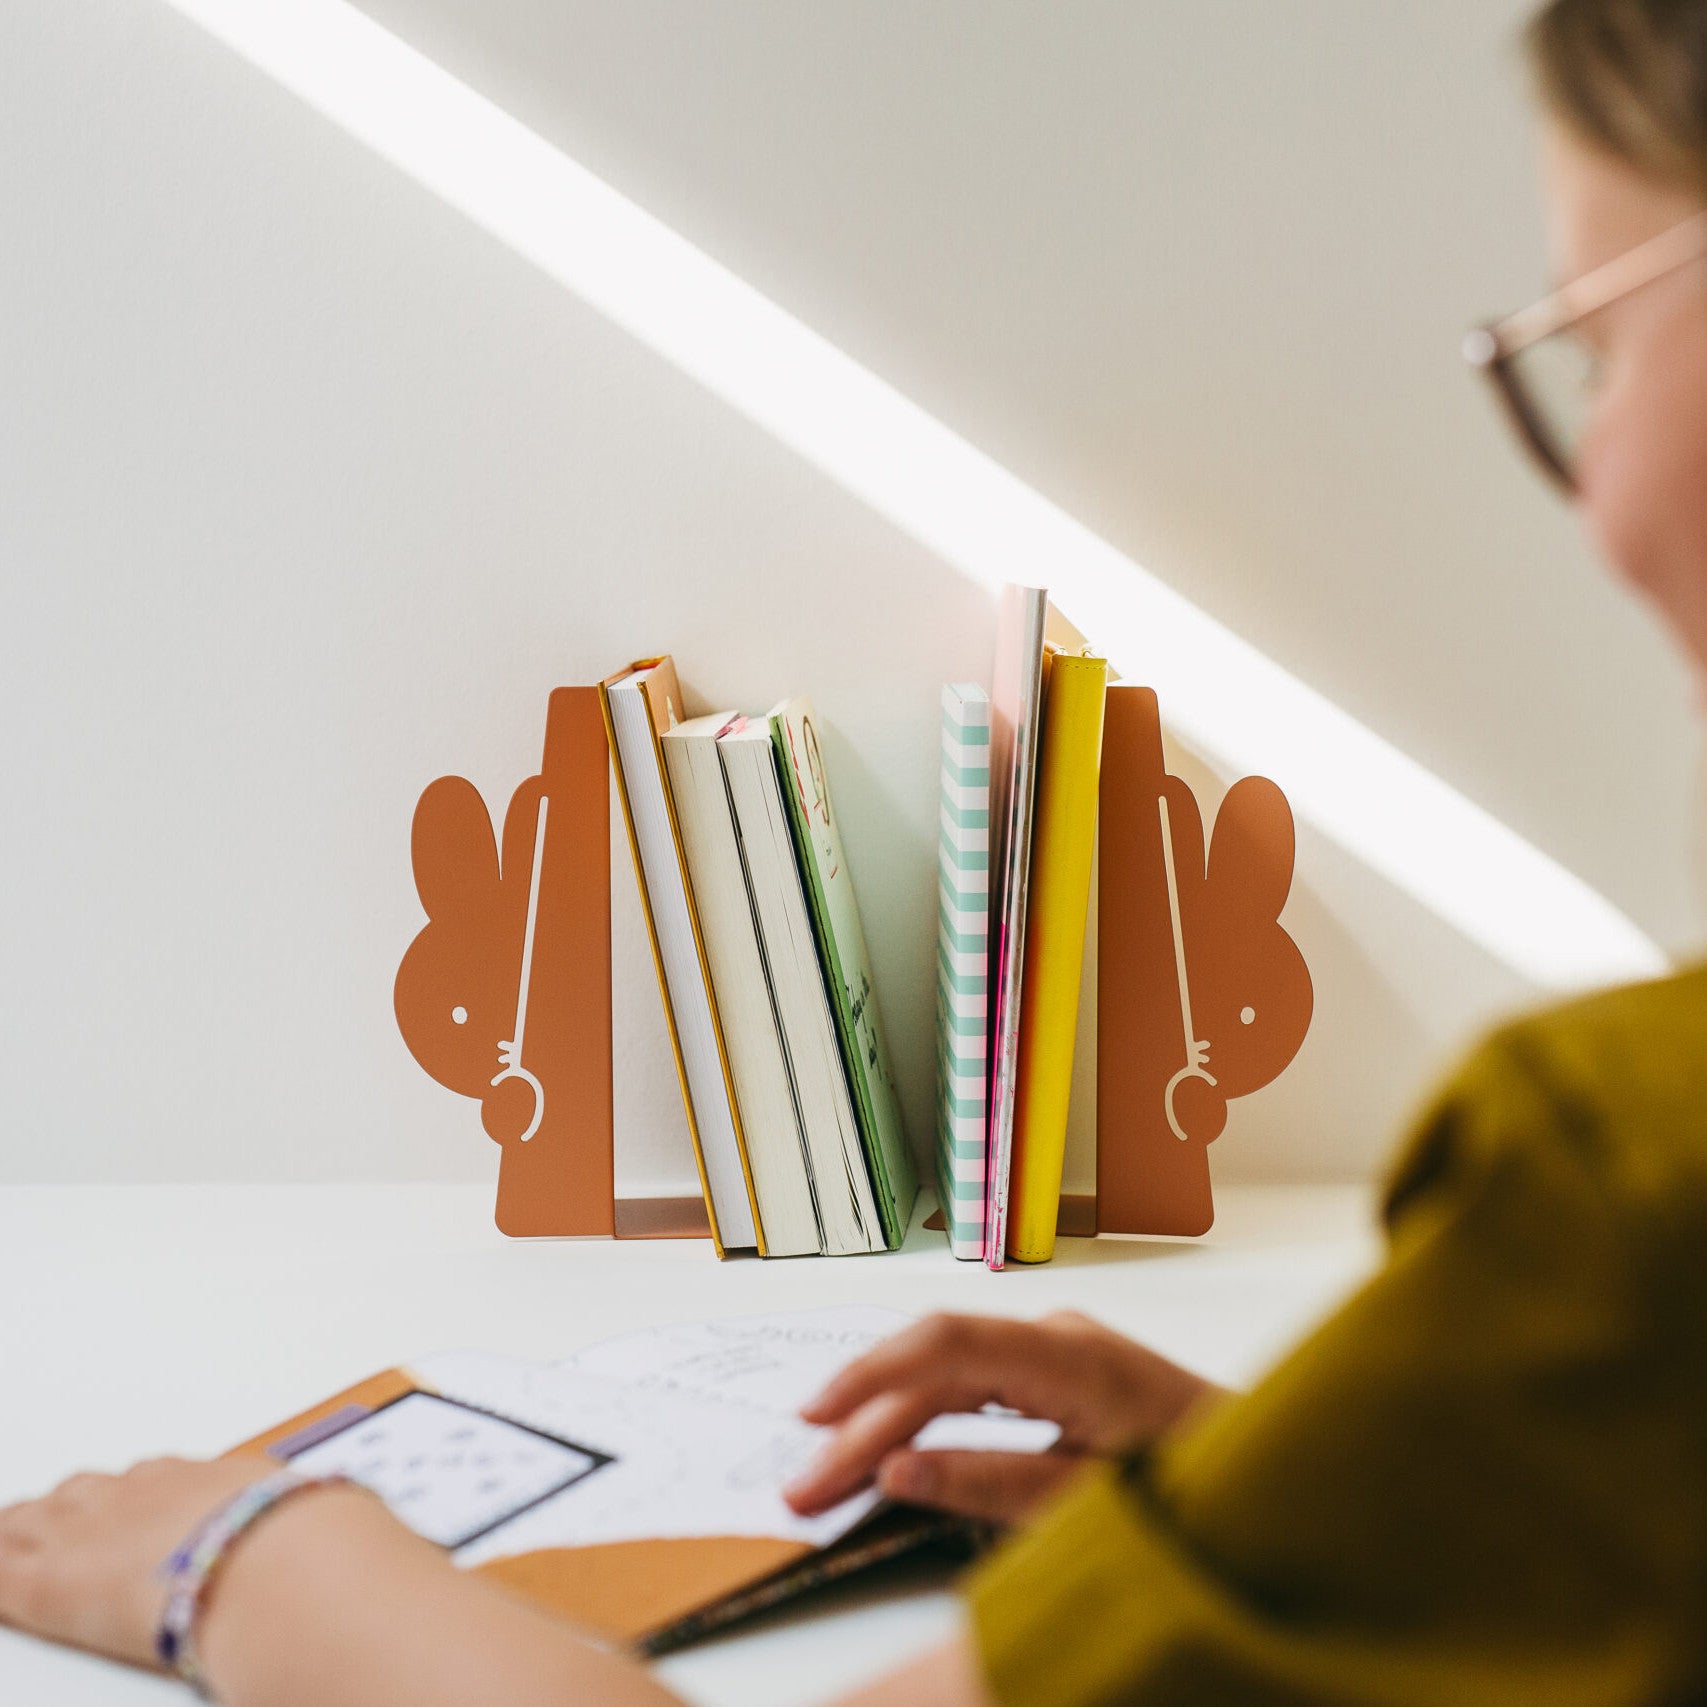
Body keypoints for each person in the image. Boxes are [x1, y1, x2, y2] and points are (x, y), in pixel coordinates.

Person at [6, 0, 1707, 1701]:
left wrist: (248, 1563)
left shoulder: (1624, 1169)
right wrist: (1349, 1485)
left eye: (1600, 346)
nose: (1591, 477)